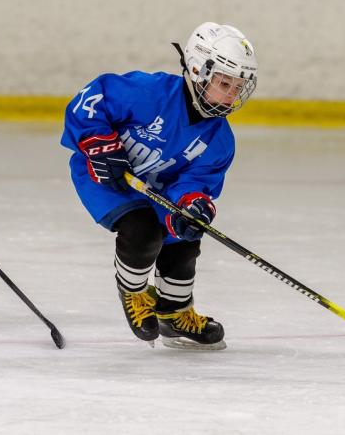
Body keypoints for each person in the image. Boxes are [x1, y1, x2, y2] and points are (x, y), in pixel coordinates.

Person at [61, 22, 257, 350]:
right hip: (107, 177)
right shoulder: (148, 93)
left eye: (239, 87)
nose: (232, 95)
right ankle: (135, 292)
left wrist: (191, 206)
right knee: (142, 233)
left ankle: (174, 313)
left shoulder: (220, 141)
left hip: (158, 190)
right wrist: (99, 143)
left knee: (184, 239)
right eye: (225, 83)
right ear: (197, 70)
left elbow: (197, 182)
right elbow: (89, 102)